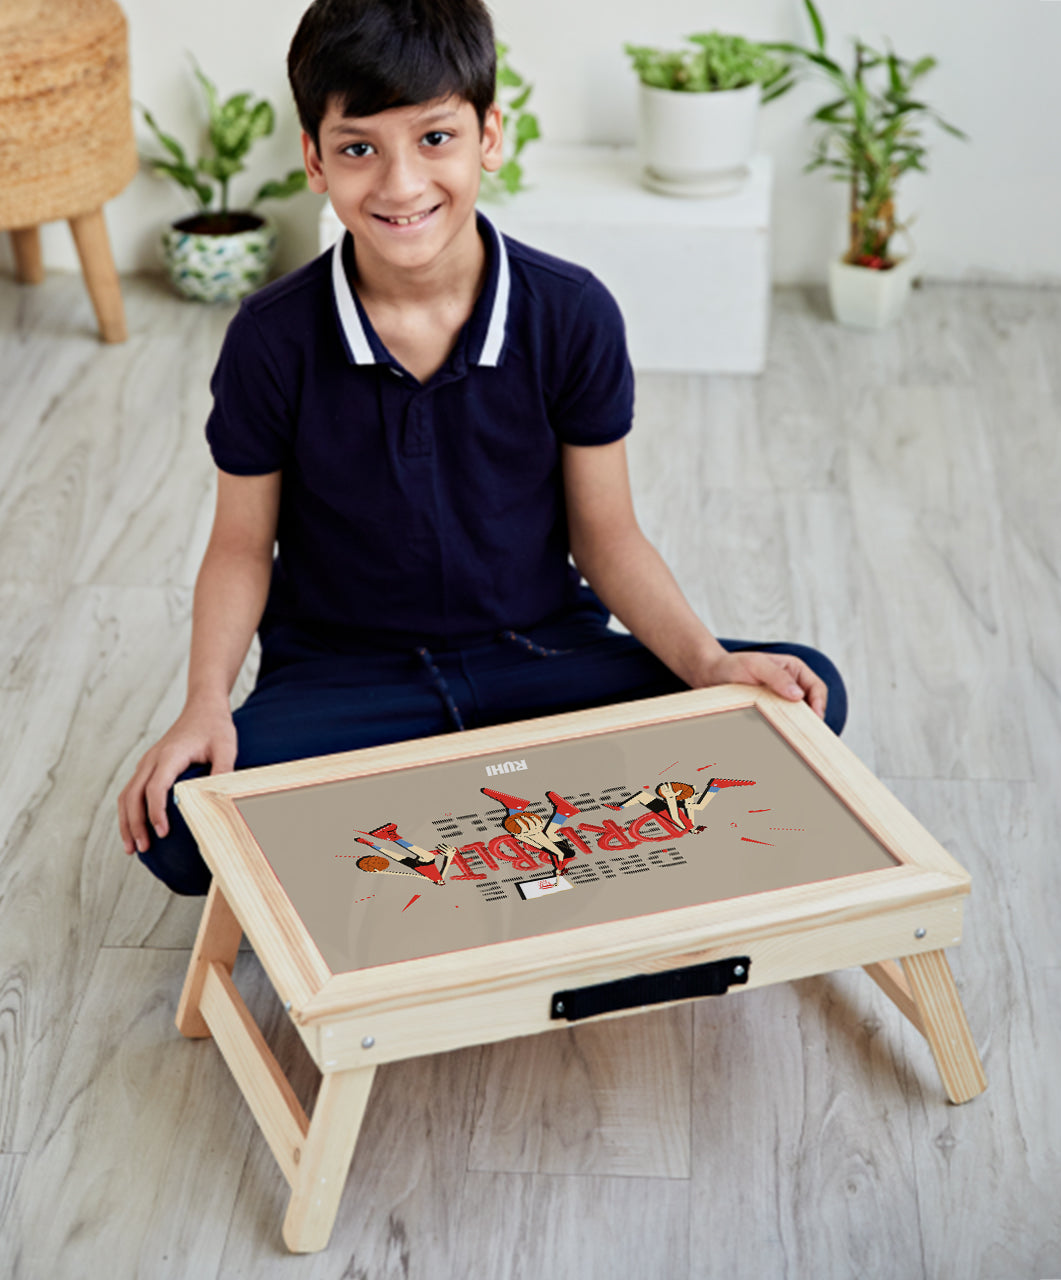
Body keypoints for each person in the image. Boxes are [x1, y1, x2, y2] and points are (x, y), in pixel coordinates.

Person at [117, 0, 848, 896]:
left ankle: (439, 835)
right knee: (180, 819)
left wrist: (706, 665)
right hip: (350, 681)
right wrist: (202, 704)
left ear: (488, 135)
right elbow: (239, 546)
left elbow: (607, 535)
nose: (399, 184)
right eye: (358, 148)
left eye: (434, 138)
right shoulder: (271, 338)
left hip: (538, 657)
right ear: (313, 159)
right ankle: (515, 825)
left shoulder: (571, 313)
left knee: (800, 694)